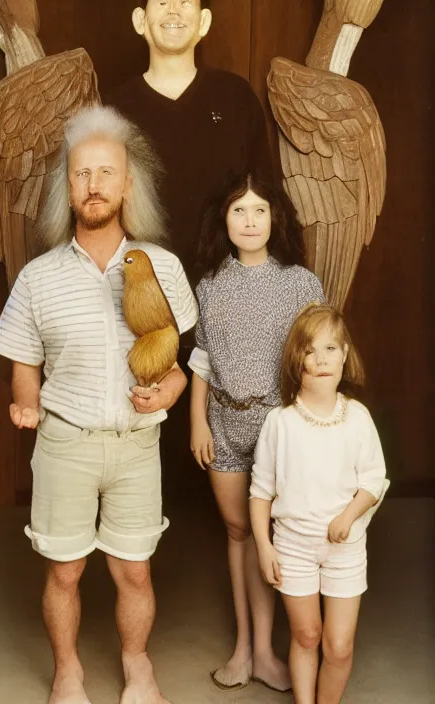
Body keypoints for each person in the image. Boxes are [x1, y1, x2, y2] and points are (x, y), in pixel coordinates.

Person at [0, 105, 198, 704]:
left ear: (129, 184)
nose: (95, 184)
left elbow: (179, 366)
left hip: (137, 445)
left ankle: (137, 666)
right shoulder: (38, 278)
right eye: (82, 174)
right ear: (67, 187)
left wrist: (171, 389)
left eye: (107, 172)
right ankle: (68, 672)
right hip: (65, 443)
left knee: (134, 570)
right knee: (64, 571)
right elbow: (23, 361)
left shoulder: (163, 268)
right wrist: (25, 402)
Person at [188, 172, 324, 691]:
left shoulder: (300, 283)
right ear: (223, 220)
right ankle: (244, 648)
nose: (249, 220)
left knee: (271, 534)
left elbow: (315, 355)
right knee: (238, 532)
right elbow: (201, 358)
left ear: (276, 218)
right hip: (222, 423)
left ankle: (268, 653)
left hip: (278, 428)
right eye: (238, 210)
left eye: (259, 210)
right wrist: (197, 420)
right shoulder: (210, 284)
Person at [250, 304, 389, 704]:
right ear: (298, 360)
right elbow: (260, 491)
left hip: (344, 548)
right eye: (311, 350)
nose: (322, 359)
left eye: (331, 348)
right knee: (307, 634)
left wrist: (348, 515)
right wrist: (264, 547)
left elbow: (373, 480)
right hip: (293, 546)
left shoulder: (358, 418)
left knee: (339, 645)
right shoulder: (281, 422)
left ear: (345, 355)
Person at [106, 0, 271, 285]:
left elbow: (269, 196)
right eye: (162, 2)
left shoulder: (236, 98)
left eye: (185, 2)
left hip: (228, 289)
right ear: (140, 20)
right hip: (141, 294)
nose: (174, 10)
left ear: (204, 22)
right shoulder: (114, 110)